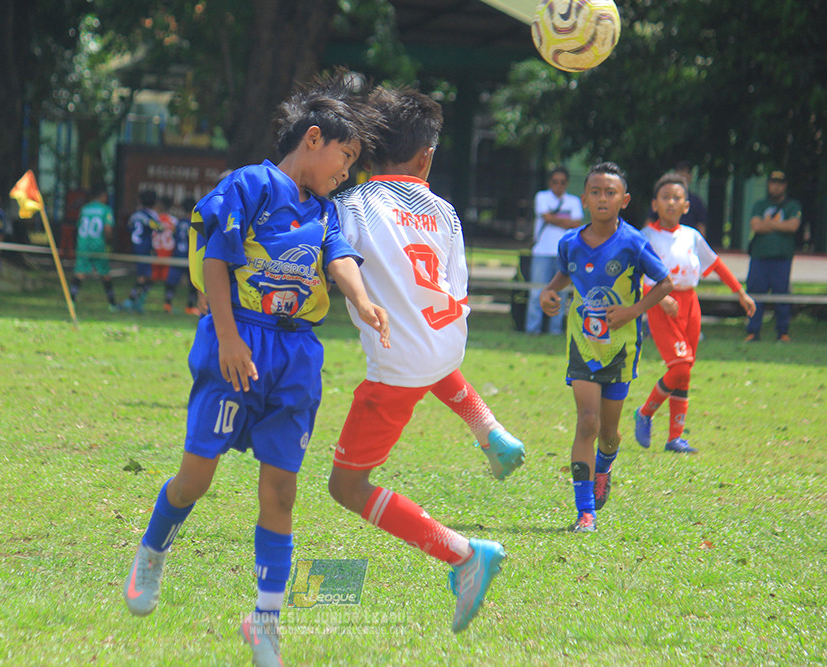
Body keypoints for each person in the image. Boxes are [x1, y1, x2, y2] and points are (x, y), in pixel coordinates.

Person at [121, 70, 389, 667]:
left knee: (282, 491)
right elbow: (217, 260)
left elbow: (340, 260)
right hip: (237, 341)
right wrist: (227, 338)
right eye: (345, 157)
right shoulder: (250, 185)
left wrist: (364, 301)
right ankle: (152, 553)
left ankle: (264, 620)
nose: (346, 173)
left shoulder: (327, 211)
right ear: (313, 139)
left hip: (296, 357)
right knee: (195, 479)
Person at [327, 85, 524, 635]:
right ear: (426, 157)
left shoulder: (351, 205)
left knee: (346, 487)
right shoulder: (445, 211)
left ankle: (465, 554)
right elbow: (456, 285)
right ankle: (489, 429)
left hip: (398, 368)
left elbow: (336, 259)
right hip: (448, 342)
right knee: (428, 352)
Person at [539, 162, 673, 533]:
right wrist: (549, 293)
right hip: (582, 345)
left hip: (620, 349)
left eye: (610, 193)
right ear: (584, 198)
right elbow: (563, 275)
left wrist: (631, 311)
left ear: (623, 200)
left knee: (609, 432)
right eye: (595, 192)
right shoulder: (570, 243)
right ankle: (585, 512)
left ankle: (605, 463)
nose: (602, 198)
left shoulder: (633, 242)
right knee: (588, 421)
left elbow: (664, 283)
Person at [634, 172, 756, 454]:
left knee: (685, 372)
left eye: (677, 198)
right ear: (655, 204)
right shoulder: (644, 236)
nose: (671, 202)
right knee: (679, 367)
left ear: (686, 205)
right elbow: (635, 276)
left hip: (690, 303)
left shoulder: (692, 236)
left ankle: (675, 438)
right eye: (665, 197)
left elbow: (716, 264)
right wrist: (659, 297)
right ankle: (645, 412)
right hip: (662, 303)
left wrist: (740, 292)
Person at [745, 170, 802, 342]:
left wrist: (768, 223)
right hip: (759, 258)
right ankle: (753, 332)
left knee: (782, 295)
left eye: (780, 184)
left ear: (785, 186)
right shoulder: (760, 204)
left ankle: (783, 333)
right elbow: (756, 226)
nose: (776, 187)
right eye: (773, 183)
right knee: (755, 294)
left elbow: (793, 226)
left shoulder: (793, 205)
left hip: (782, 258)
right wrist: (779, 225)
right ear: (768, 185)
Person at [526, 167, 584, 335]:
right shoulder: (542, 197)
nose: (558, 185)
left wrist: (554, 219)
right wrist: (565, 221)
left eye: (562, 182)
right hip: (542, 252)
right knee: (537, 291)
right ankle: (533, 329)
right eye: (555, 182)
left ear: (567, 183)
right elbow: (547, 217)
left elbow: (577, 224)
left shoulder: (573, 201)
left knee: (560, 294)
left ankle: (555, 330)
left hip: (564, 254)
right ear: (550, 183)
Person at [69, 184, 118, 309]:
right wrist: (109, 242)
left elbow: (78, 226)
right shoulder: (105, 210)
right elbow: (108, 229)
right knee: (105, 274)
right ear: (103, 196)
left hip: (83, 245)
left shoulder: (84, 209)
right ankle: (112, 304)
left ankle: (71, 301)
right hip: (98, 246)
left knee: (80, 272)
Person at [121, 189, 161, 313]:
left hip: (135, 246)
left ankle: (138, 300)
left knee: (147, 276)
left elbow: (129, 228)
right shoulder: (152, 215)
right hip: (145, 248)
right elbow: (158, 228)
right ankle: (132, 301)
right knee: (144, 276)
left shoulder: (135, 215)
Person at [163, 196, 200, 315]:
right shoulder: (194, 223)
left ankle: (167, 304)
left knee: (171, 282)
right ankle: (190, 306)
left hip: (177, 255)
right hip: (189, 257)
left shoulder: (178, 223)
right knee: (193, 283)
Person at [151, 195, 177, 289]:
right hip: (168, 251)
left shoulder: (154, 219)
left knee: (152, 277)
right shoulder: (173, 220)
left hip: (156, 250)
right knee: (166, 277)